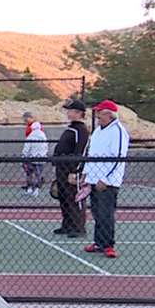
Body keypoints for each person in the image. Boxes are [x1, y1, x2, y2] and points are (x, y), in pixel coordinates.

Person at [79, 99, 130, 258]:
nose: (98, 116)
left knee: (106, 213)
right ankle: (99, 242)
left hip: (108, 181)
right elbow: (91, 154)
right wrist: (86, 175)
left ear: (109, 114)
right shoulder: (98, 131)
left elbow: (118, 157)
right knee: (97, 212)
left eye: (100, 113)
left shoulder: (118, 131)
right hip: (94, 179)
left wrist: (106, 179)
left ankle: (108, 244)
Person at [53, 99, 90, 236]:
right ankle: (67, 225)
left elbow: (81, 151)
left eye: (71, 110)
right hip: (62, 169)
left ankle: (78, 227)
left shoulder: (81, 130)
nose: (68, 113)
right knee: (64, 197)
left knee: (74, 198)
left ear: (79, 113)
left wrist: (75, 171)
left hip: (71, 171)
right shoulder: (71, 129)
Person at [21, 118, 48, 195]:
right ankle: (36, 190)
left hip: (31, 158)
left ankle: (29, 188)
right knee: (38, 174)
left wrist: (24, 157)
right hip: (41, 158)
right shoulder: (44, 137)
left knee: (29, 174)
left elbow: (26, 148)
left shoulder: (30, 136)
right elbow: (46, 147)